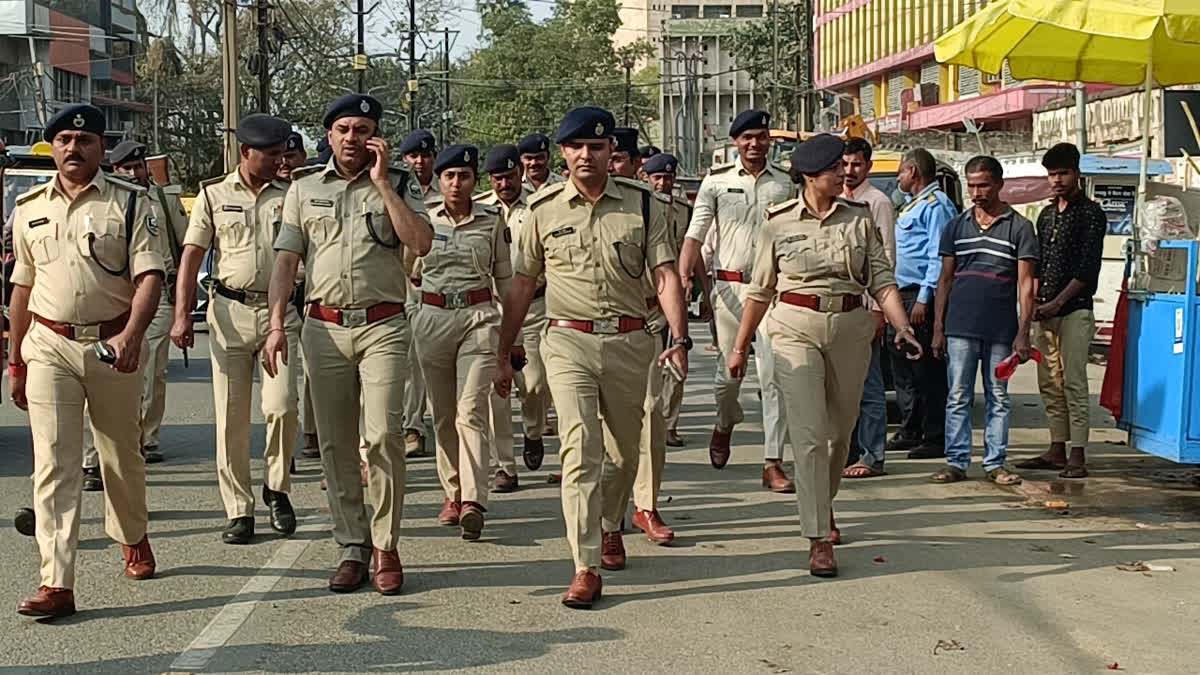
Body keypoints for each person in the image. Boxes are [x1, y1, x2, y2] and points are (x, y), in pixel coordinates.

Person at [494, 106, 690, 609]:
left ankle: (610, 522)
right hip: (566, 340)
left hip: (630, 341)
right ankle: (584, 566)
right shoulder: (543, 209)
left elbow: (666, 275)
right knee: (580, 449)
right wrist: (504, 349)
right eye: (577, 147)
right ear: (563, 153)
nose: (587, 155)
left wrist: (679, 337)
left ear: (611, 154)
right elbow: (521, 284)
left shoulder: (645, 206)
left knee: (624, 455)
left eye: (597, 147)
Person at [727, 134, 921, 578]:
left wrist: (902, 326)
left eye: (847, 166)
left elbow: (883, 282)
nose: (845, 173)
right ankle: (817, 536)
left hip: (851, 331)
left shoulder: (860, 218)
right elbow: (759, 291)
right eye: (836, 167)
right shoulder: (776, 221)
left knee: (839, 435)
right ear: (812, 175)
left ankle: (821, 500)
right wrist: (740, 346)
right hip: (794, 329)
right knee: (810, 434)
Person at [264, 93, 433, 595]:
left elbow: (420, 243)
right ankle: (352, 547)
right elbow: (286, 261)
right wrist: (276, 323)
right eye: (343, 130)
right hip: (322, 325)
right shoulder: (303, 187)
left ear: (376, 135)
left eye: (362, 129)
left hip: (383, 324)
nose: (352, 139)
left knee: (382, 436)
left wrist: (383, 183)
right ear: (329, 136)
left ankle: (386, 545)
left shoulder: (399, 184)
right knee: (336, 444)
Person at [10, 104, 168, 617]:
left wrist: (131, 336)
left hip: (110, 345)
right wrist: (15, 359)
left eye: (84, 141)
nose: (73, 149)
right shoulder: (29, 207)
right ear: (52, 147)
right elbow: (21, 286)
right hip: (49, 345)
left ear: (101, 149)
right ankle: (57, 582)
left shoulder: (131, 203)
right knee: (54, 461)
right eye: (64, 141)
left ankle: (132, 534)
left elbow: (150, 277)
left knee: (120, 455)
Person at [170, 114, 300, 545]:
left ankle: (277, 488)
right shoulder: (213, 194)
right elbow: (192, 256)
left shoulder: (294, 193)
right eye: (272, 154)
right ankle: (238, 509)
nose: (280, 161)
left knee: (282, 406)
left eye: (283, 153)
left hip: (282, 315)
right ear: (246, 152)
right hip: (229, 312)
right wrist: (181, 314)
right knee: (231, 417)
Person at [677, 109, 795, 491]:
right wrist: (683, 276)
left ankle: (772, 461)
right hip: (729, 291)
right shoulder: (716, 183)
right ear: (736, 143)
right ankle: (724, 421)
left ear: (769, 141)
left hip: (775, 293)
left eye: (761, 137)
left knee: (773, 377)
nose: (755, 144)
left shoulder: (786, 184)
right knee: (728, 378)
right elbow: (695, 234)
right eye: (747, 138)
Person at [412, 144, 511, 540]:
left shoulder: (491, 219)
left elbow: (505, 278)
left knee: (471, 409)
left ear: (475, 181)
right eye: (450, 176)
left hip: (479, 316)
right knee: (443, 413)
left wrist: (510, 340)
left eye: (464, 176)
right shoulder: (422, 217)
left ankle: (473, 499)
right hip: (432, 317)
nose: (457, 184)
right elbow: (406, 269)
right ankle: (452, 492)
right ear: (439, 179)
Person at [78, 140, 187, 487]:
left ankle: (145, 438)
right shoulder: (102, 200)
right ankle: (93, 457)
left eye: (138, 167)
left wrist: (184, 301)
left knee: (151, 370)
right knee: (99, 372)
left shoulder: (165, 200)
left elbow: (186, 247)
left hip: (158, 295)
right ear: (115, 169)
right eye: (126, 167)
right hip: (115, 298)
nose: (134, 173)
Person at [929, 156, 1037, 486]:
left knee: (998, 397)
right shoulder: (956, 226)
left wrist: (1023, 333)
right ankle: (957, 462)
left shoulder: (1020, 227)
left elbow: (1026, 284)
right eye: (971, 185)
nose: (976, 192)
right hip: (960, 326)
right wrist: (938, 328)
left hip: (1002, 329)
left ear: (999, 184)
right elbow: (944, 280)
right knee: (958, 395)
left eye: (983, 185)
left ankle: (995, 463)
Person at [1017, 143, 1107, 479]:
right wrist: (1036, 305)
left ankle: (1078, 453)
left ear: (1076, 173)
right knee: (1049, 383)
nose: (1056, 180)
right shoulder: (1046, 214)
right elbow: (1037, 266)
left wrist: (1057, 303)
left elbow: (1087, 269)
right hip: (1046, 312)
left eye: (1062, 173)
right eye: (1052, 174)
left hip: (1075, 311)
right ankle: (1056, 447)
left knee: (1074, 382)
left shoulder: (1091, 214)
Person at [619, 151, 693, 545]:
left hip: (648, 319)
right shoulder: (566, 205)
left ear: (633, 164)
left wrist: (680, 337)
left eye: (617, 159)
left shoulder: (652, 210)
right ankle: (607, 511)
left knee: (651, 412)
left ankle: (645, 504)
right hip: (589, 331)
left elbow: (672, 271)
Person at [476, 144, 548, 488]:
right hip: (493, 310)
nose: (504, 184)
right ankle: (505, 466)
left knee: (533, 384)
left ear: (520, 172)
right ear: (490, 179)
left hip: (536, 308)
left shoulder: (541, 205)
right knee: (497, 390)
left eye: (509, 176)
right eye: (497, 178)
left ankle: (533, 432)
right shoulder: (481, 210)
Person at [892, 148, 956, 459]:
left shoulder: (936, 206)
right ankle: (911, 427)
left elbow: (938, 256)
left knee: (928, 370)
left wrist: (923, 298)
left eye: (901, 171)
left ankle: (935, 435)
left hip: (920, 295)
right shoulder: (911, 206)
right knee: (905, 368)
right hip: (899, 293)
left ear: (914, 172)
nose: (898, 177)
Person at [840, 138, 896, 479]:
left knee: (870, 385)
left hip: (867, 306)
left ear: (868, 166)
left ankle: (872, 454)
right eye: (844, 164)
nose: (849, 171)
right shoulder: (835, 199)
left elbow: (886, 258)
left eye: (856, 165)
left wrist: (879, 310)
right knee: (844, 386)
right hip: (838, 311)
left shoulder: (878, 203)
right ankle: (847, 452)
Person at [276, 133, 320, 458]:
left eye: (291, 157)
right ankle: (290, 440)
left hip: (316, 288)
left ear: (303, 157)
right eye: (280, 157)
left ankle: (315, 430)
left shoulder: (314, 188)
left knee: (316, 367)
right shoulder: (268, 195)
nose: (285, 163)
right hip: (285, 292)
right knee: (285, 375)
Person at [399, 129, 438, 457]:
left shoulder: (450, 189)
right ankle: (412, 427)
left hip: (441, 289)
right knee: (410, 361)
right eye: (413, 156)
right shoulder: (395, 191)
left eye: (425, 155)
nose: (419, 161)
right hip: (405, 288)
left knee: (426, 364)